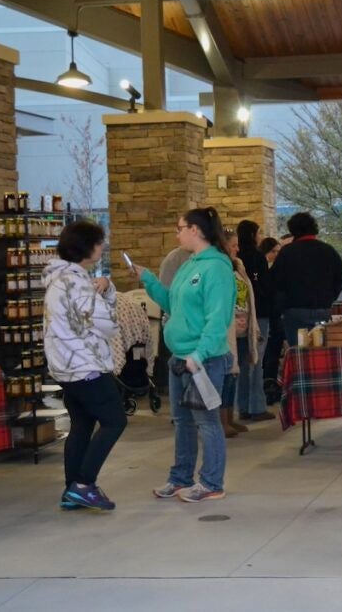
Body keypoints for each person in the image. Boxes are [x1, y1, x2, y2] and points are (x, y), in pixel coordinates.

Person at [135, 207, 236, 503]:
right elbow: (172, 303)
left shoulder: (217, 268)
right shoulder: (188, 264)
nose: (177, 233)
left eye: (180, 227)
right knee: (182, 421)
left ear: (196, 230)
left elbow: (217, 319)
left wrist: (201, 353)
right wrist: (149, 280)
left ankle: (211, 482)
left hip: (204, 360)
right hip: (179, 357)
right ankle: (180, 478)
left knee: (206, 421)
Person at [43, 220, 126, 511]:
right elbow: (107, 323)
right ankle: (84, 484)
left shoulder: (58, 279)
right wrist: (107, 292)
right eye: (99, 242)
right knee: (115, 420)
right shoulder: (77, 283)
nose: (102, 247)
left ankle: (71, 488)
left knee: (82, 424)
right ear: (87, 247)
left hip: (65, 365)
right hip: (85, 366)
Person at [272, 212, 342, 346]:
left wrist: (282, 304)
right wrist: (330, 297)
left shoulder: (287, 252)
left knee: (298, 353)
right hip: (323, 309)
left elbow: (275, 282)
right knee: (321, 351)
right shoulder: (328, 251)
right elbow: (340, 277)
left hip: (294, 310)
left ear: (293, 230)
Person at [220, 230, 260, 437]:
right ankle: (222, 420)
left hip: (242, 330)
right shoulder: (217, 268)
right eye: (233, 245)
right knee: (225, 376)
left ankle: (231, 417)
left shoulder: (239, 266)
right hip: (226, 331)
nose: (237, 248)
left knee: (235, 375)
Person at [236, 221, 275, 423]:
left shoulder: (235, 258)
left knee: (243, 363)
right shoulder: (257, 256)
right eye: (259, 232)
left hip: (239, 317)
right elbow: (265, 285)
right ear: (252, 234)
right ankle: (257, 406)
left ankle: (241, 406)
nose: (261, 236)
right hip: (258, 314)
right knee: (256, 361)